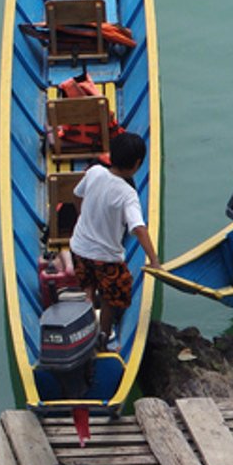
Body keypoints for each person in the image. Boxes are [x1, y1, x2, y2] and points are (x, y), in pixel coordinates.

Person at [67, 132, 160, 350]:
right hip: (106, 259)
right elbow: (138, 228)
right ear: (137, 163)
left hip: (78, 248)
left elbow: (76, 195)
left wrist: (82, 216)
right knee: (112, 297)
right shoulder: (128, 194)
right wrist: (154, 260)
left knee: (88, 287)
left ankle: (86, 326)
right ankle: (103, 334)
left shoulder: (94, 172)